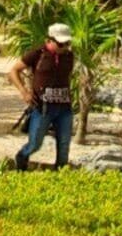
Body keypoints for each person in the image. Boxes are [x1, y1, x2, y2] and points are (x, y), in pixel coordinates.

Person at [7, 22, 77, 170]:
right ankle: (22, 157)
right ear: (49, 40)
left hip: (64, 108)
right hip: (42, 108)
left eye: (67, 43)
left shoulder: (69, 56)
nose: (64, 47)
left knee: (64, 145)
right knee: (35, 144)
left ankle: (60, 175)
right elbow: (13, 71)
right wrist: (24, 91)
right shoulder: (37, 54)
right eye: (60, 44)